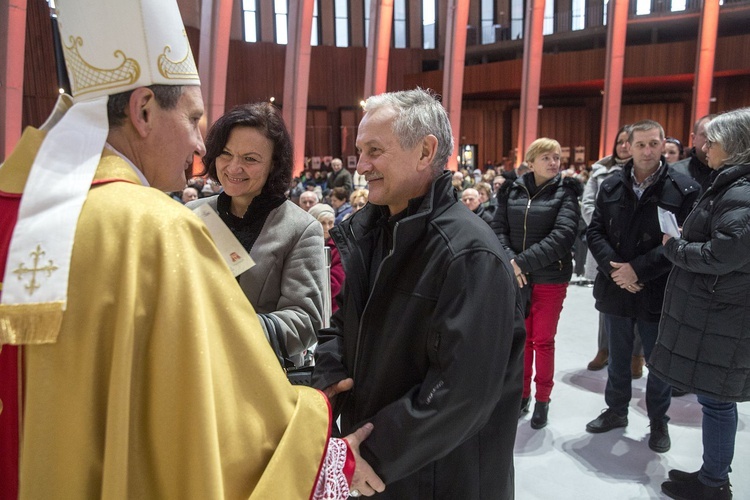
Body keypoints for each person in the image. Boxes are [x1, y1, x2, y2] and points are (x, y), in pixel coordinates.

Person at [0, 0, 380, 497]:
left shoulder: (17, 213)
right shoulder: (155, 228)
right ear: (141, 111)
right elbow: (222, 429)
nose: (201, 147)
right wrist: (324, 448)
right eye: (194, 120)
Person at [312, 88, 524, 499]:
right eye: (360, 151)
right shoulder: (371, 232)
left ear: (426, 152)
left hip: (443, 476)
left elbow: (463, 392)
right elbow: (344, 326)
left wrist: (371, 453)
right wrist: (328, 387)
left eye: (375, 150)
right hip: (385, 469)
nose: (362, 166)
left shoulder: (469, 254)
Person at [651, 107, 750, 500]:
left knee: (718, 401)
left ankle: (715, 485)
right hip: (720, 313)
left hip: (725, 315)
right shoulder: (731, 184)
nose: (705, 146)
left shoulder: (741, 191)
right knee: (714, 399)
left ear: (736, 146)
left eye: (714, 140)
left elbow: (722, 255)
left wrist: (676, 247)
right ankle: (711, 476)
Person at [584, 120, 700, 453]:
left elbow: (682, 242)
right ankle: (616, 411)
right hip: (616, 287)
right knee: (618, 358)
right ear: (628, 146)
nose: (647, 150)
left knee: (657, 362)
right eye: (640, 144)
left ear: (664, 144)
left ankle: (659, 422)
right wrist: (615, 270)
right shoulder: (610, 185)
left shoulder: (684, 188)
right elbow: (594, 232)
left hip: (657, 288)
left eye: (653, 143)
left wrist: (638, 270)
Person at [187, 103, 325, 368]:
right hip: (193, 368)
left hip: (259, 376)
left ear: (274, 164)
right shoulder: (192, 215)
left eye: (250, 159)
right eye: (226, 154)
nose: (233, 167)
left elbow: (305, 321)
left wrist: (228, 331)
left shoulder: (300, 228)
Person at [491, 138, 582, 429]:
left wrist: (520, 263)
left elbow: (563, 236)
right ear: (530, 162)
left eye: (557, 157)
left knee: (542, 341)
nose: (554, 162)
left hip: (550, 278)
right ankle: (523, 395)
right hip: (518, 278)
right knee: (522, 342)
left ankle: (543, 398)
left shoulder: (566, 193)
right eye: (547, 157)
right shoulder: (511, 190)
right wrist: (510, 260)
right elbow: (498, 228)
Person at [581, 125, 645, 377]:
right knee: (607, 304)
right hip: (606, 248)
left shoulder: (647, 173)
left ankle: (636, 355)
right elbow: (588, 205)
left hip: (637, 253)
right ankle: (604, 350)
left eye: (627, 142)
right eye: (619, 142)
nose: (623, 146)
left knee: (639, 302)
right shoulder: (600, 171)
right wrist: (606, 231)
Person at [308, 203, 345, 315]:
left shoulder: (338, 248)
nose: (327, 228)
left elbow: (335, 283)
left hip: (330, 307)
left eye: (330, 223)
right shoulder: (305, 245)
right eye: (322, 223)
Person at [672, 115, 715, 191]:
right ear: (694, 139)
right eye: (705, 135)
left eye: (716, 135)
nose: (711, 139)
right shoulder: (674, 171)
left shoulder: (732, 174)